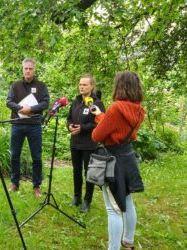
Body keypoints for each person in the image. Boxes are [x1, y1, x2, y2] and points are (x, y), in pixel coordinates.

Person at [91, 71, 145, 250]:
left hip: (113, 160)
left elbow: (97, 135)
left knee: (113, 208)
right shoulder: (139, 110)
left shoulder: (115, 108)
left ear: (120, 86)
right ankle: (128, 241)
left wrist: (100, 120)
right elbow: (118, 128)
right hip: (127, 157)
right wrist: (100, 116)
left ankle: (113, 248)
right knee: (128, 202)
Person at [6, 58, 50, 198]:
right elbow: (9, 101)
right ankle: (15, 183)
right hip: (17, 125)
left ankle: (36, 186)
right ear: (22, 69)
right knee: (15, 155)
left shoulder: (41, 86)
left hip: (34, 126)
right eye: (26, 68)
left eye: (31, 68)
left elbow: (45, 103)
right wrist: (21, 109)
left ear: (34, 69)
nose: (28, 71)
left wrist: (31, 108)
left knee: (36, 157)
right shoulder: (15, 85)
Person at [67, 73, 105, 213]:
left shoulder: (97, 103)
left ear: (92, 86)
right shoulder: (76, 101)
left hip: (89, 144)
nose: (81, 87)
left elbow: (100, 124)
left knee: (88, 172)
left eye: (85, 84)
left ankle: (87, 200)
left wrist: (82, 128)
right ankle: (76, 197)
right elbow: (69, 118)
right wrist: (70, 126)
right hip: (75, 143)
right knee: (76, 171)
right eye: (80, 84)